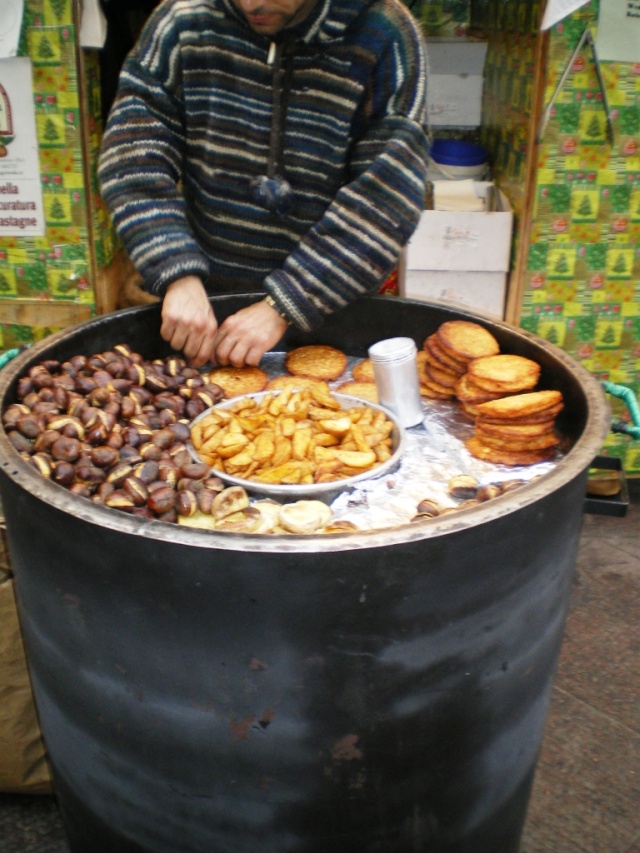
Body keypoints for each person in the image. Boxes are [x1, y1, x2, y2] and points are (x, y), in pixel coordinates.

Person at [98, 0, 428, 368]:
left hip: (333, 316)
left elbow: (385, 197)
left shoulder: (383, 34)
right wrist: (175, 271)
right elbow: (132, 158)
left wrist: (286, 303)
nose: (253, 3)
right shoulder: (184, 23)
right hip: (204, 313)